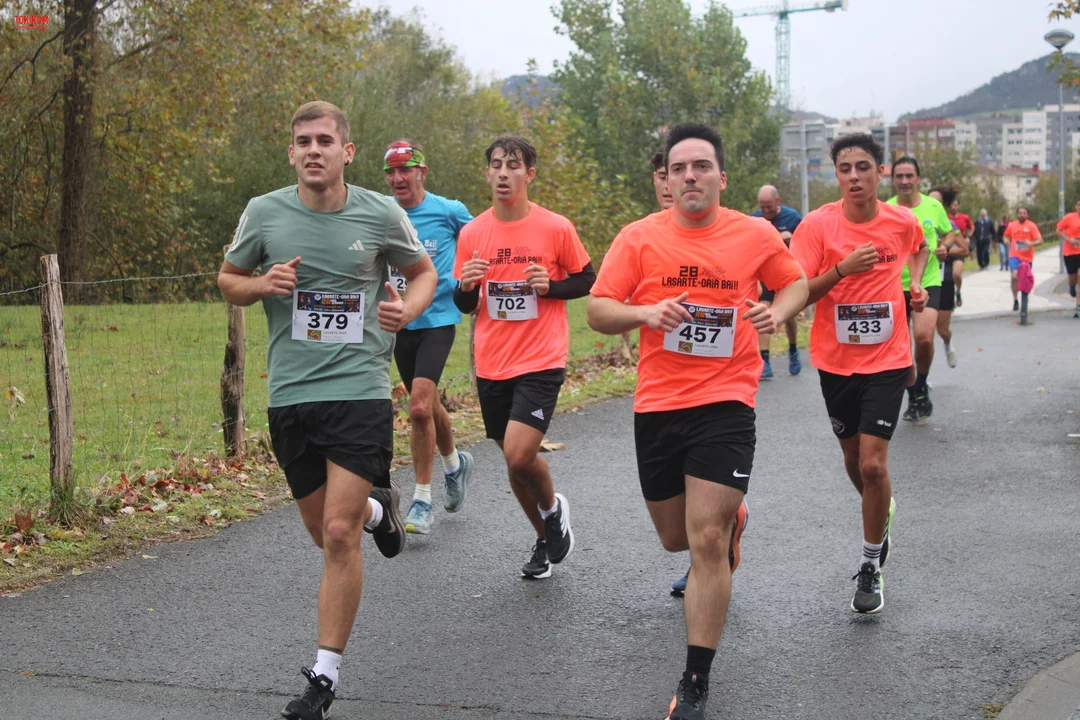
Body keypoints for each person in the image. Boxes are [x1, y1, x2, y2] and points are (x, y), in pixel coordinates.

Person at [218, 101, 438, 720]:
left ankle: (323, 676)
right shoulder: (265, 212)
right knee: (324, 531)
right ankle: (378, 510)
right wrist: (261, 285)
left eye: (324, 140)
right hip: (292, 394)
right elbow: (228, 279)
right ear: (291, 152)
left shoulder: (380, 212)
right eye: (303, 141)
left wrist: (408, 309)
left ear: (347, 152)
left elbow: (423, 273)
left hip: (359, 389)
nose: (313, 150)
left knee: (339, 534)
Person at [588, 122, 808, 720]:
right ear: (668, 177)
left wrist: (775, 310)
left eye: (701, 166)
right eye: (679, 168)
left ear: (721, 177)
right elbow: (598, 310)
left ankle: (694, 682)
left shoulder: (754, 233)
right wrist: (645, 313)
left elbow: (794, 282)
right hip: (659, 405)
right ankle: (733, 517)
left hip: (727, 400)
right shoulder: (639, 237)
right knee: (675, 539)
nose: (690, 176)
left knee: (705, 539)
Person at [790, 133, 928, 615]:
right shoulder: (816, 226)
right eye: (845, 168)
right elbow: (798, 292)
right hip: (836, 361)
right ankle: (880, 505)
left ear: (880, 173)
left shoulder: (901, 221)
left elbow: (919, 247)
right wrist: (842, 270)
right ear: (836, 175)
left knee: (873, 464)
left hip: (888, 359)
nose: (854, 176)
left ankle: (870, 563)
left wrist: (916, 284)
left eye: (863, 167)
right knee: (853, 460)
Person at [453, 135, 595, 579]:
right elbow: (465, 303)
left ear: (529, 175)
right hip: (492, 361)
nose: (503, 173)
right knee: (514, 463)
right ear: (487, 173)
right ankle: (544, 536)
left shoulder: (555, 227)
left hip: (541, 358)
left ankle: (553, 509)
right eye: (496, 164)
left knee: (518, 455)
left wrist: (550, 287)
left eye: (513, 165)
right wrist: (466, 285)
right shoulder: (473, 233)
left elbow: (586, 279)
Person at [382, 140, 476, 535]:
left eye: (405, 170)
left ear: (422, 172)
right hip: (400, 322)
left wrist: (470, 278)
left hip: (438, 318)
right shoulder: (383, 213)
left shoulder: (448, 210)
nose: (397, 178)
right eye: (391, 172)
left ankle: (422, 500)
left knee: (419, 407)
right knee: (428, 401)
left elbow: (483, 240)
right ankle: (455, 464)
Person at [886, 156, 953, 421]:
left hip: (928, 280)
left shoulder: (933, 206)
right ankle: (914, 395)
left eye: (909, 176)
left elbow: (950, 232)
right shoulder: (885, 209)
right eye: (899, 176)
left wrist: (944, 246)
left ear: (918, 178)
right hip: (893, 284)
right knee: (900, 347)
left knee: (924, 338)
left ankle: (921, 383)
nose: (904, 181)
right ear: (893, 180)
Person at [751, 185, 804, 379]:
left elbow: (806, 246)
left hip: (786, 275)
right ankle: (765, 361)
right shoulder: (755, 220)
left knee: (789, 317)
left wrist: (791, 239)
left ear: (778, 201)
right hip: (765, 274)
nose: (766, 210)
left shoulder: (793, 218)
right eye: (762, 206)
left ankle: (793, 349)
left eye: (769, 206)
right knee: (763, 311)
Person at [929, 188, 968, 369]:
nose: (933, 203)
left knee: (942, 330)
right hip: (923, 280)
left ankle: (947, 343)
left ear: (943, 205)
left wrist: (945, 250)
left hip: (944, 278)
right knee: (924, 334)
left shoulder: (949, 225)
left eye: (937, 201)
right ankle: (923, 376)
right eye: (930, 200)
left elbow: (964, 250)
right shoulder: (918, 220)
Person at [1004, 207, 1043, 311]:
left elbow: (1040, 240)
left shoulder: (1031, 226)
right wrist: (1006, 241)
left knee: (1025, 279)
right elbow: (1005, 236)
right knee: (1014, 276)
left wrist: (1031, 243)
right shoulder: (1012, 225)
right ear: (1017, 214)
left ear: (1027, 215)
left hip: (1027, 257)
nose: (1022, 215)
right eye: (1020, 213)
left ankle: (1024, 298)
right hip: (1014, 255)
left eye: (1024, 213)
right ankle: (1015, 299)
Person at [946, 195, 973, 306]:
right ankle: (949, 297)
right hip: (947, 248)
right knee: (947, 277)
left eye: (955, 205)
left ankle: (958, 291)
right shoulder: (944, 217)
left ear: (959, 206)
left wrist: (968, 237)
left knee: (956, 274)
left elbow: (971, 227)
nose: (953, 207)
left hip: (959, 248)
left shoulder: (964, 217)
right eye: (951, 205)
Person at [1055, 199, 1080, 318]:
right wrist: (1069, 239)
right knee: (1073, 278)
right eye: (1079, 205)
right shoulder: (1069, 217)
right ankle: (1071, 286)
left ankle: (1078, 307)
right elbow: (1058, 231)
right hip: (1070, 252)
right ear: (1075, 206)